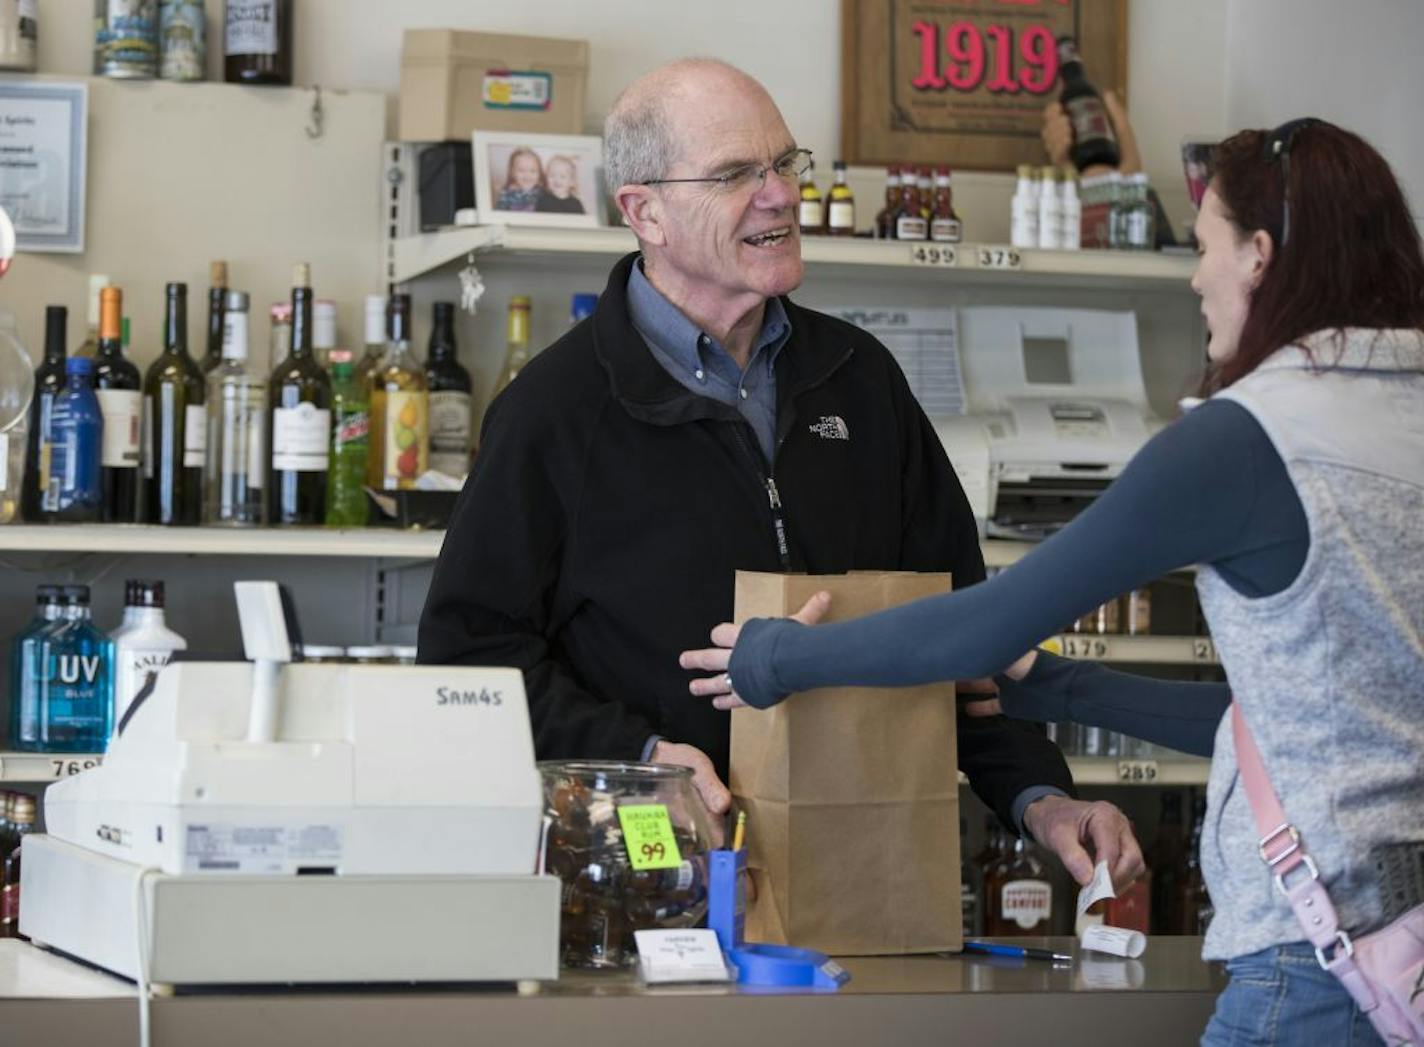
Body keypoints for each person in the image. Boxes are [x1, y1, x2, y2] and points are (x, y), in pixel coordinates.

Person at [685, 119, 1424, 1045]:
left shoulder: (1249, 438)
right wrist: (1060, 682)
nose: (1197, 279)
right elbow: (1295, 721)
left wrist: (781, 654)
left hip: (1315, 969)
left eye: (1206, 250)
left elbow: (980, 627)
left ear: (1261, 257)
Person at [419, 57, 1143, 882]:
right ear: (644, 211)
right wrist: (640, 754)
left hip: (862, 873)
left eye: (783, 163)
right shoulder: (556, 410)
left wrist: (1043, 798)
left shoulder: (861, 381)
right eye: (735, 174)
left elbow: (964, 638)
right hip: (646, 875)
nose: (779, 195)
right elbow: (466, 653)